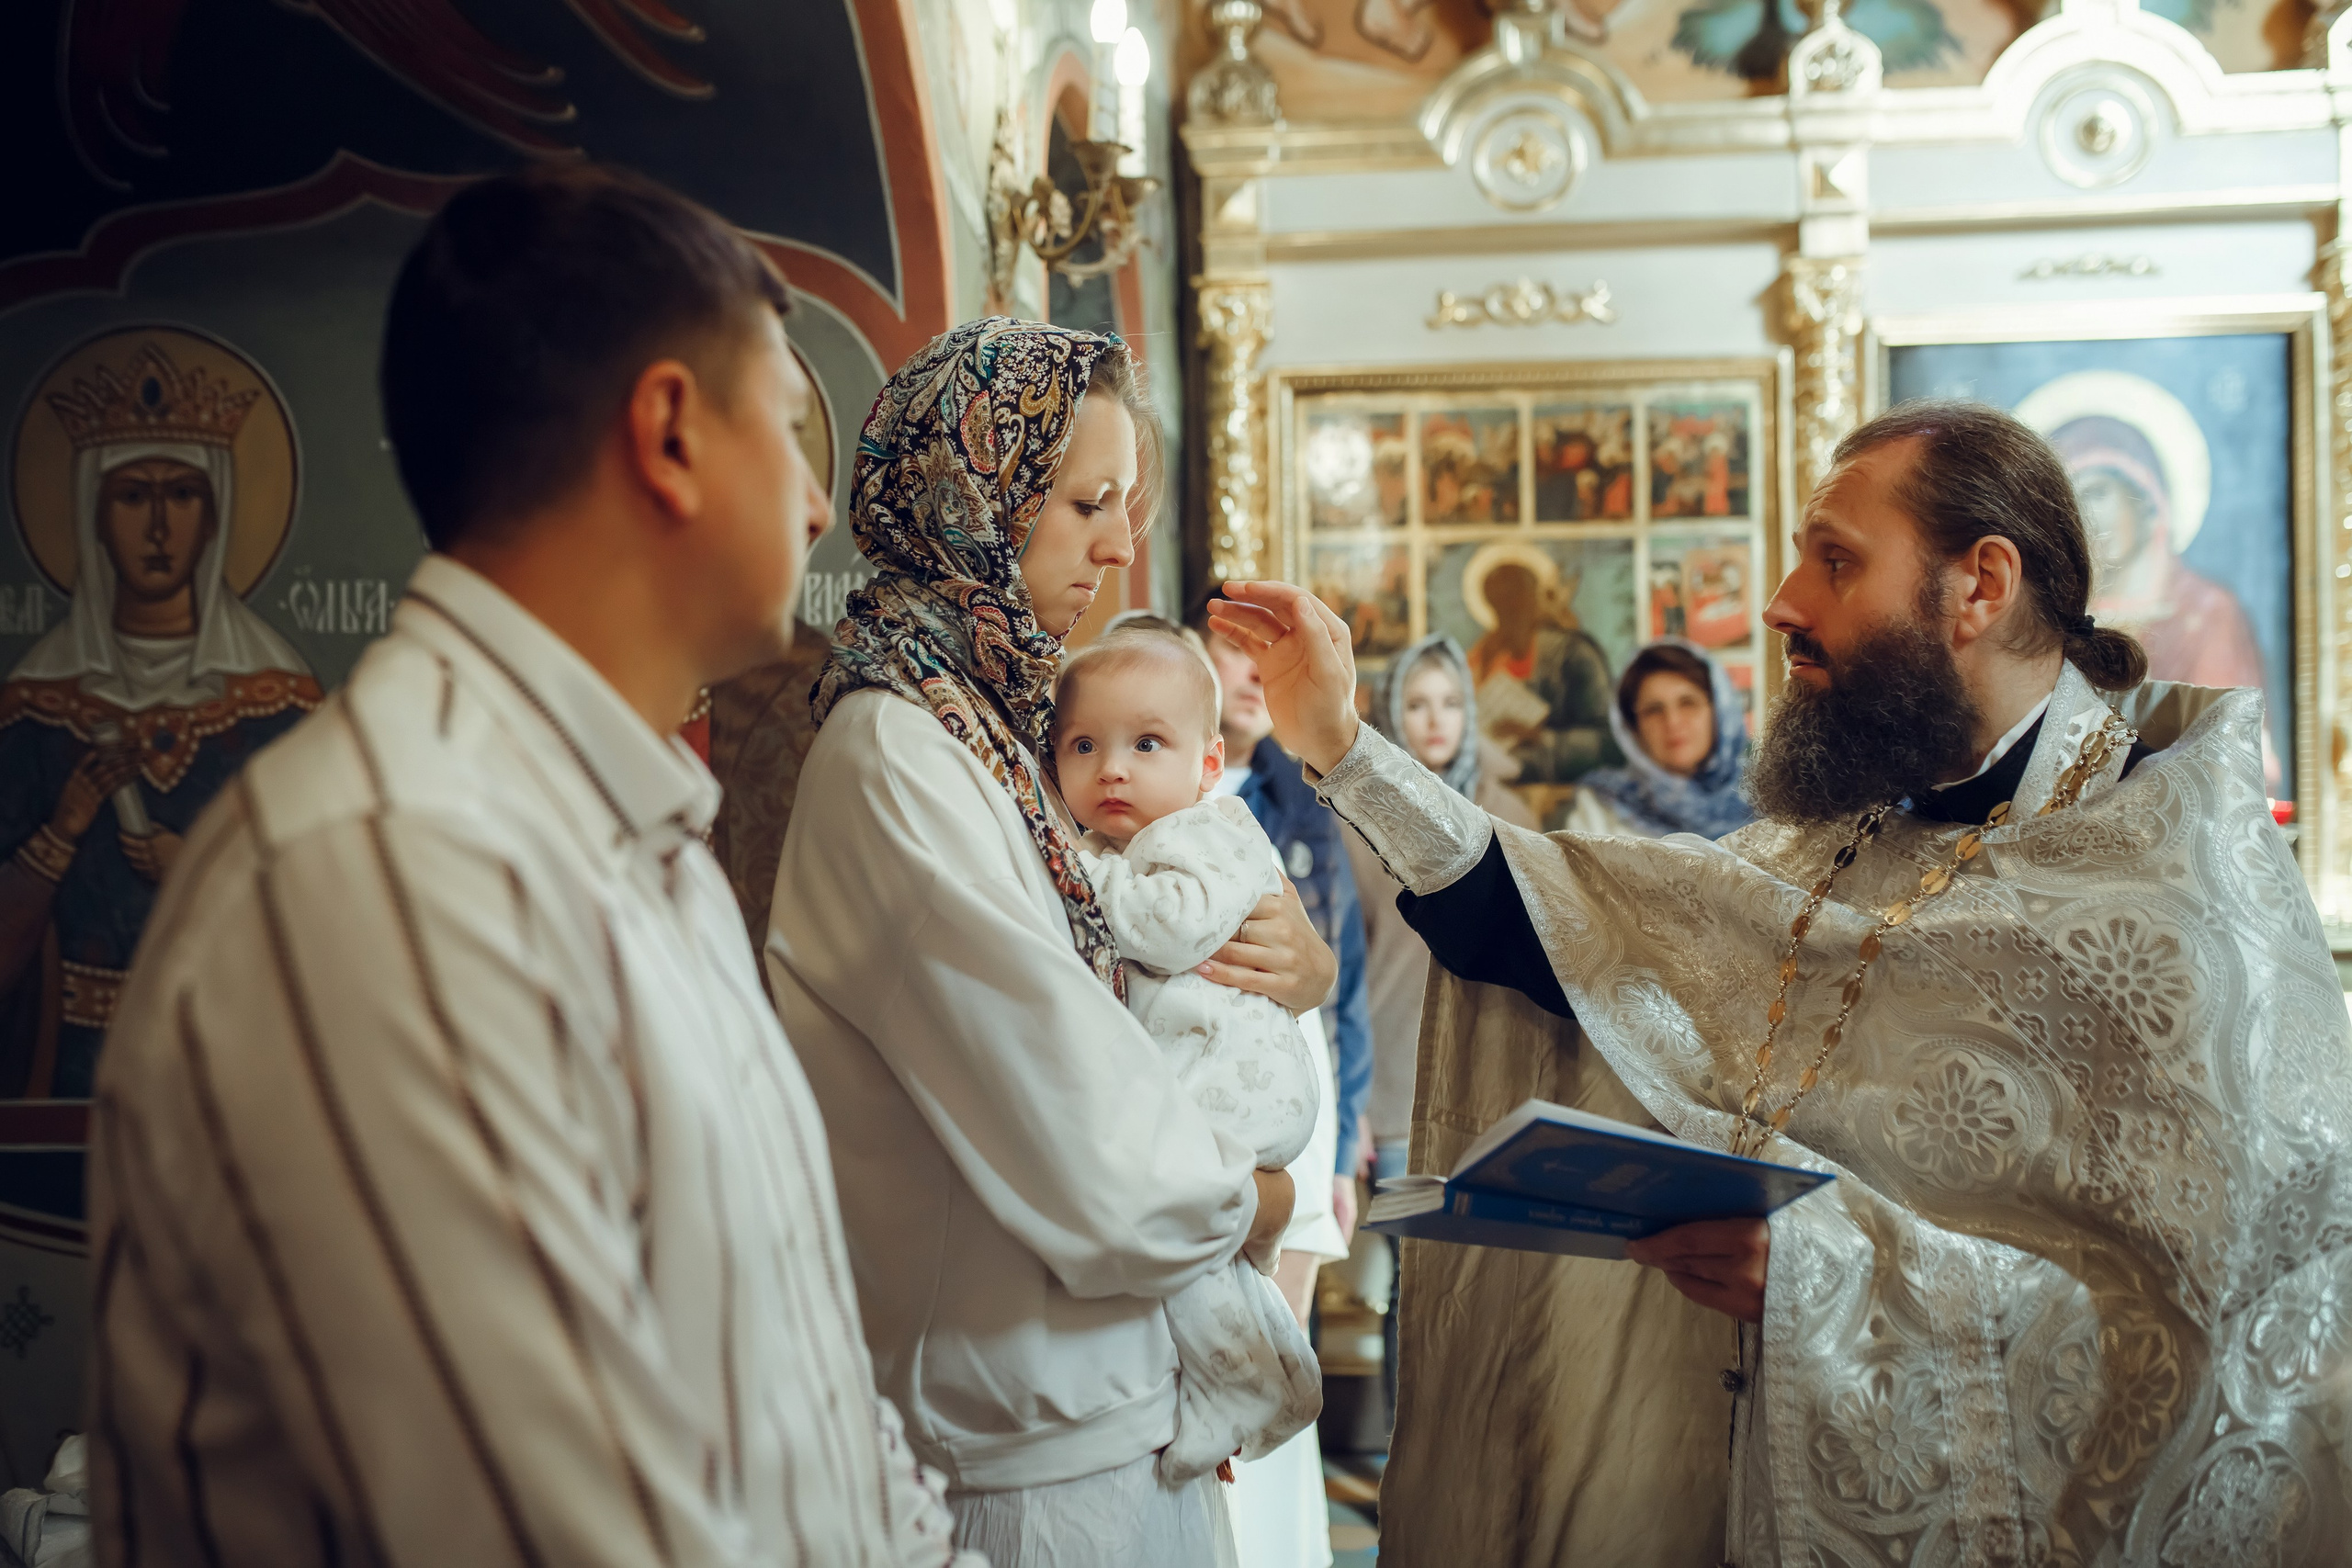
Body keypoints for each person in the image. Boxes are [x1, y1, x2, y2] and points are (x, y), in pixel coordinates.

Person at [1214, 399, 2352, 1565]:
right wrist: (1342, 745)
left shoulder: (2177, 894)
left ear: (1981, 584)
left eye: (1836, 560)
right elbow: (1576, 935)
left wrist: (1828, 1278)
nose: (1780, 604)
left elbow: (2264, 1342)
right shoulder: (1852, 840)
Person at [86, 165, 975, 1564]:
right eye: (793, 432)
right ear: (672, 432)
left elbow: (799, 1373)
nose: (817, 503)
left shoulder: (635, 828)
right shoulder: (396, 867)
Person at [766, 318, 1329, 1568]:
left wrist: (1294, 964)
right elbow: (1102, 1150)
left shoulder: (1002, 729)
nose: (1124, 543)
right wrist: (1269, 1200)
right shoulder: (897, 753)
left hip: (1106, 1395)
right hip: (1023, 1444)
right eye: (1087, 502)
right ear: (975, 493)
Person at [0, 339, 321, 1099]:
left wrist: (202, 872)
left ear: (214, 517)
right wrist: (60, 834)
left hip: (229, 1065)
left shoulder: (279, 704)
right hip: (67, 1062)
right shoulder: (37, 706)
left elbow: (327, 918)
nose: (157, 527)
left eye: (183, 496)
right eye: (132, 496)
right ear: (91, 512)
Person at [1055, 626, 1322, 1485]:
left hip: (1233, 1085)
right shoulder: (1145, 838)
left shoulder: (1205, 835)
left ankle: (1249, 1392)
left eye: (1145, 744)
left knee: (1194, 1268)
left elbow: (1168, 929)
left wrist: (1084, 875)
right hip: (1211, 1079)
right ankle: (1256, 1382)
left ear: (1209, 765)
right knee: (1208, 1274)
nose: (1112, 768)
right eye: (1083, 745)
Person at [1341, 634, 1537, 1419]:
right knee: (1414, 1280)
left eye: (1451, 703)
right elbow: (1343, 970)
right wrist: (1349, 1102)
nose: (1435, 720)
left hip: (1496, 1082)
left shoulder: (1512, 817)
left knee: (1491, 1284)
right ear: (1391, 711)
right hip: (1393, 1089)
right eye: (1417, 704)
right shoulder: (1357, 816)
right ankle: (1406, 1471)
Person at [1200, 613, 1374, 1233]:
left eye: (1269, 654)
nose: (1253, 670)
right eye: (1233, 646)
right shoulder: (1133, 785)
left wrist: (1344, 1141)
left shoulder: (1311, 803)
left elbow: (1346, 982)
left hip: (1293, 1100)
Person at [1564, 639, 1755, 840]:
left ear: (1719, 712)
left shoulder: (1767, 799)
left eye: (1688, 703)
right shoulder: (1602, 809)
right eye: (1653, 710)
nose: (1672, 722)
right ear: (1633, 728)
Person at [1464, 559, 1621, 785]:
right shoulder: (1481, 656)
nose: (1511, 608)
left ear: (1533, 597)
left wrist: (1540, 737)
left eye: (1517, 597)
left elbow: (1610, 744)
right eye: (1501, 600)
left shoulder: (1572, 654)